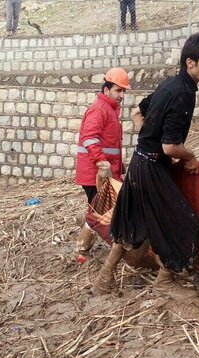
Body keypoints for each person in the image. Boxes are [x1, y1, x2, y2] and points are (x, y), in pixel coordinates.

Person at [93, 33, 199, 298]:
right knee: (183, 224)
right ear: (190, 62)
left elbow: (138, 110)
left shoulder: (170, 84)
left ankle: (104, 279)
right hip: (152, 167)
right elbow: (170, 147)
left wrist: (144, 137)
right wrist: (191, 157)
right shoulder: (184, 94)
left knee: (131, 221)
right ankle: (164, 280)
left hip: (139, 162)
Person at [75, 67, 130, 253]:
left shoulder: (109, 109)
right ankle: (82, 249)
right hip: (95, 173)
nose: (121, 95)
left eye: (123, 91)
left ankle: (84, 245)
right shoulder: (100, 109)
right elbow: (90, 138)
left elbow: (108, 143)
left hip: (103, 171)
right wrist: (100, 161)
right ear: (106, 90)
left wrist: (117, 164)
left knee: (99, 210)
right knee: (100, 212)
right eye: (118, 90)